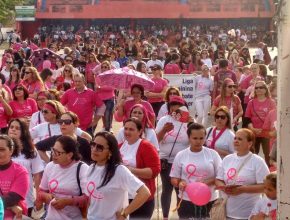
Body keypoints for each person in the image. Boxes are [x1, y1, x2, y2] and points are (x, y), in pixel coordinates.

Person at [86, 131, 151, 219]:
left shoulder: (119, 170)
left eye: (100, 147)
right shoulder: (91, 168)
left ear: (110, 152)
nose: (94, 149)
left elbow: (144, 193)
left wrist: (124, 213)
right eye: (93, 144)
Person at [215, 128, 270, 219]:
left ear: (250, 143)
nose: (236, 141)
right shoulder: (227, 159)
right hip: (227, 213)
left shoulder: (258, 161)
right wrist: (224, 188)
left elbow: (266, 186)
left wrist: (243, 189)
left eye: (240, 139)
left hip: (250, 214)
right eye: (235, 138)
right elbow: (218, 179)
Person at [170, 123, 222, 219]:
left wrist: (206, 182)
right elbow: (174, 178)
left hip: (209, 199)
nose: (198, 141)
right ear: (189, 137)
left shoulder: (213, 154)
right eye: (195, 138)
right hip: (187, 200)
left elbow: (221, 176)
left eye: (201, 138)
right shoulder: (181, 155)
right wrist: (179, 183)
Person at [36, 136, 89, 219]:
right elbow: (41, 192)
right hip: (51, 216)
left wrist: (68, 201)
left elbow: (87, 199)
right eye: (53, 150)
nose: (53, 154)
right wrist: (47, 196)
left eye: (58, 153)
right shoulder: (50, 166)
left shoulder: (82, 169)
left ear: (69, 155)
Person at [155, 95, 191, 219]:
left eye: (177, 105)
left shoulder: (188, 121)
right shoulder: (164, 120)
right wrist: (164, 130)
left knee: (180, 190)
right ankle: (165, 217)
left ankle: (181, 216)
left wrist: (191, 123)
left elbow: (197, 139)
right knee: (167, 189)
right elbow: (155, 141)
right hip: (166, 161)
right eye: (172, 105)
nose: (174, 108)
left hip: (183, 163)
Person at [119, 118, 160, 218]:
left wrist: (129, 170)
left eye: (131, 129)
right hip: (123, 199)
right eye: (126, 128)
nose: (127, 132)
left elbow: (154, 171)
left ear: (140, 131)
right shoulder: (119, 146)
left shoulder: (147, 146)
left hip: (141, 199)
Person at [8, 119, 44, 217]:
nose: (13, 130)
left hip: (25, 197)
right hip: (5, 196)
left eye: (17, 128)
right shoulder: (2, 148)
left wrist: (39, 196)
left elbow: (37, 175)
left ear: (23, 132)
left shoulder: (31, 151)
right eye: (11, 127)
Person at [245, 81, 276, 166]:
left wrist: (264, 130)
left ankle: (269, 175)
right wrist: (252, 129)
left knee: (268, 155)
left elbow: (274, 118)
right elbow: (247, 118)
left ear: (265, 89)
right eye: (256, 88)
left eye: (261, 87)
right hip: (254, 132)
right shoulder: (251, 102)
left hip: (267, 133)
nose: (258, 89)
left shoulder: (271, 102)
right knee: (253, 155)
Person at [0, 135, 29, 219]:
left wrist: (10, 205)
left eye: (2, 150)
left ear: (11, 151)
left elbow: (12, 198)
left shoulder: (20, 171)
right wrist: (12, 207)